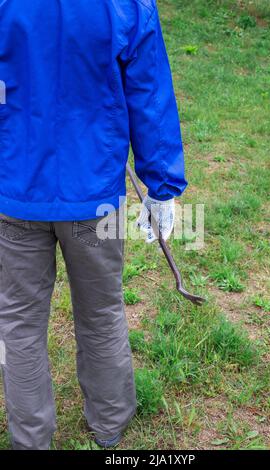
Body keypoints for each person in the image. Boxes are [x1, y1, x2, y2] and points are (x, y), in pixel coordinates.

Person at [0, 0, 187, 450]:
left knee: (20, 321)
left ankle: (33, 439)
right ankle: (110, 424)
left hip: (20, 189)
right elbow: (148, 92)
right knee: (101, 312)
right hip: (90, 193)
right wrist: (162, 186)